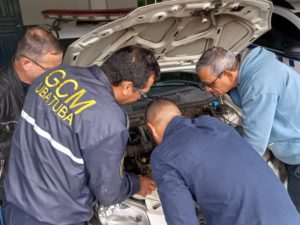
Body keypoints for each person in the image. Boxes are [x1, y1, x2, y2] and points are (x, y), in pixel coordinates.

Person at [4, 45, 158, 225]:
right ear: (126, 86)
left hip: (14, 204)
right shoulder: (109, 120)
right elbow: (108, 192)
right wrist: (136, 183)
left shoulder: (52, 76)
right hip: (55, 219)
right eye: (142, 94)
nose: (140, 99)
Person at [146, 98, 300, 225]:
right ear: (179, 114)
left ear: (151, 128)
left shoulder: (162, 156)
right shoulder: (213, 123)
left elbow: (181, 220)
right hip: (289, 217)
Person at [196, 46, 300, 212]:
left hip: (297, 154)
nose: (207, 90)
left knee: (294, 211)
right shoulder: (251, 72)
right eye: (203, 85)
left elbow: (255, 144)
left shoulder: (259, 84)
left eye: (209, 84)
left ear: (229, 74)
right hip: (288, 149)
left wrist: (224, 178)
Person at [0, 26, 63, 203]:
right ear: (26, 64)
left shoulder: (46, 85)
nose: (56, 76)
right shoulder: (3, 93)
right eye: (50, 70)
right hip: (12, 190)